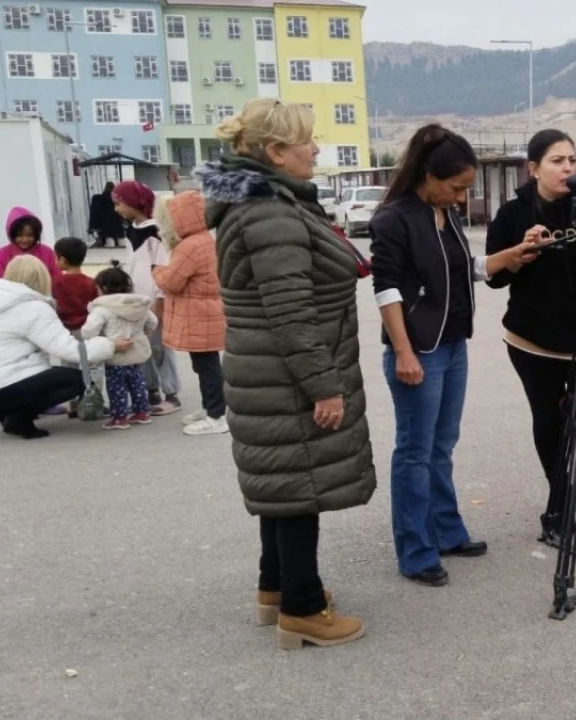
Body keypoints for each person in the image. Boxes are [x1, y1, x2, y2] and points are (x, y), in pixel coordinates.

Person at [197, 97, 376, 649]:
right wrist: (324, 386)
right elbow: (292, 313)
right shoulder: (271, 213)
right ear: (276, 152)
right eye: (307, 141)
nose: (316, 149)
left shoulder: (264, 202)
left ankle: (273, 588)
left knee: (283, 484)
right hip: (286, 375)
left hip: (268, 372)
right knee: (300, 489)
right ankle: (302, 608)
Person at [370, 123, 539, 586]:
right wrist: (404, 353)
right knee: (415, 452)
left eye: (467, 189)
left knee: (442, 445)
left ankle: (445, 531)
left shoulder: (447, 216)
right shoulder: (393, 219)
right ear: (429, 176)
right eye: (456, 187)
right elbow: (386, 290)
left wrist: (515, 254)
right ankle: (415, 550)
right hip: (418, 352)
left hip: (452, 345)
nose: (462, 198)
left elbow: (466, 267)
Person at [486, 129, 576, 539]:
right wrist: (521, 254)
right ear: (533, 168)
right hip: (532, 338)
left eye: (572, 160)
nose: (567, 168)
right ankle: (560, 498)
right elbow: (495, 278)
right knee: (548, 420)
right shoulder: (512, 214)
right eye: (557, 161)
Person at [0, 256, 127, 439]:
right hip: (7, 384)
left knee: (43, 376)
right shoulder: (34, 308)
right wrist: (110, 345)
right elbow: (69, 349)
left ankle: (6, 412)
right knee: (77, 380)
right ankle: (18, 419)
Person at [153, 191, 229, 437]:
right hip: (206, 312)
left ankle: (216, 416)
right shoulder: (205, 239)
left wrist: (157, 271)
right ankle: (210, 408)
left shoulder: (189, 246)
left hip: (199, 315)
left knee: (207, 367)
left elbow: (172, 282)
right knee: (206, 365)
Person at [114, 180, 181, 416]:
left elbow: (163, 266)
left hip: (155, 299)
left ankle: (171, 393)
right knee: (142, 346)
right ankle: (151, 390)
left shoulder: (156, 232)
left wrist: (160, 301)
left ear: (134, 201)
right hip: (137, 300)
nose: (117, 208)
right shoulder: (131, 230)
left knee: (160, 347)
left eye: (119, 203)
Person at [82, 263, 158, 430]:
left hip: (115, 354)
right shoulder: (138, 305)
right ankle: (142, 412)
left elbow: (88, 331)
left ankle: (119, 417)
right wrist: (142, 335)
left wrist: (100, 341)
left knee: (117, 387)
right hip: (136, 353)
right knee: (137, 383)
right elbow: (153, 322)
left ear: (102, 288)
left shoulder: (102, 309)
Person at [52, 236, 103, 418]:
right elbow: (96, 305)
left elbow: (53, 304)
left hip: (65, 330)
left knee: (69, 366)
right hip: (88, 328)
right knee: (93, 365)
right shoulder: (90, 282)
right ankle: (93, 400)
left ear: (62, 259)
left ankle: (73, 404)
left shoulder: (56, 282)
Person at [0, 208, 63, 281]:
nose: (25, 240)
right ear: (12, 235)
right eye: (20, 235)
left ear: (36, 235)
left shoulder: (47, 252)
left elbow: (57, 279)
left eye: (30, 235)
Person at [89, 181, 124, 249]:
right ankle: (121, 242)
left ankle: (110, 243)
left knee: (109, 235)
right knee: (120, 234)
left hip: (106, 221)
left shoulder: (99, 198)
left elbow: (97, 211)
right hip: (117, 220)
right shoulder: (117, 198)